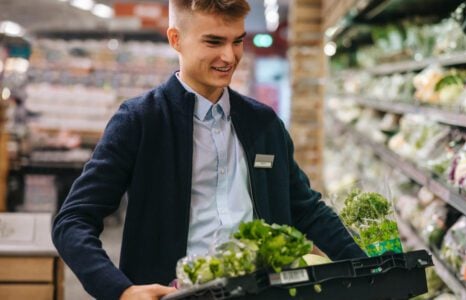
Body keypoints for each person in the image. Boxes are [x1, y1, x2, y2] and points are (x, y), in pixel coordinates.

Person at [51, 0, 365, 299]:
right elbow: (73, 220)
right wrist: (119, 290)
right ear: (176, 39)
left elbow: (307, 210)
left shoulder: (263, 123)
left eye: (237, 41)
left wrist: (370, 270)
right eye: (214, 42)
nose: (229, 57)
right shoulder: (141, 121)